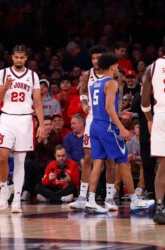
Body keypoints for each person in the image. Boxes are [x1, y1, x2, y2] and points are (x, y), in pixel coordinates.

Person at [86, 53, 154, 214]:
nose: (118, 70)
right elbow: (109, 108)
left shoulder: (95, 83)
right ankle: (135, 200)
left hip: (95, 125)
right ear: (112, 66)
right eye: (117, 66)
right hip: (107, 127)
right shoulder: (111, 83)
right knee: (123, 162)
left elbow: (103, 107)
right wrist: (122, 128)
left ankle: (90, 201)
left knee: (97, 163)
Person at [0, 44, 46, 213]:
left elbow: (37, 102)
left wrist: (42, 124)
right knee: (2, 156)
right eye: (16, 57)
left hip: (25, 120)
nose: (19, 60)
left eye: (22, 57)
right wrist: (5, 87)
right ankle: (3, 190)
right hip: (7, 117)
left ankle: (16, 198)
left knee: (20, 161)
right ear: (12, 57)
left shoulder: (33, 76)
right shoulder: (3, 73)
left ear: (26, 58)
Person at [68, 45, 119, 211]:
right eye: (93, 58)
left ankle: (110, 198)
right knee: (88, 158)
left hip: (108, 119)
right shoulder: (88, 74)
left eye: (98, 58)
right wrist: (83, 101)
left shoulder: (113, 74)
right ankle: (82, 197)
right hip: (92, 119)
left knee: (110, 160)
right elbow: (82, 89)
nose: (96, 61)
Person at [141, 49, 165, 224]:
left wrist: (149, 119)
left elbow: (144, 100)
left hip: (161, 116)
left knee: (162, 165)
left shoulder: (152, 67)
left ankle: (159, 207)